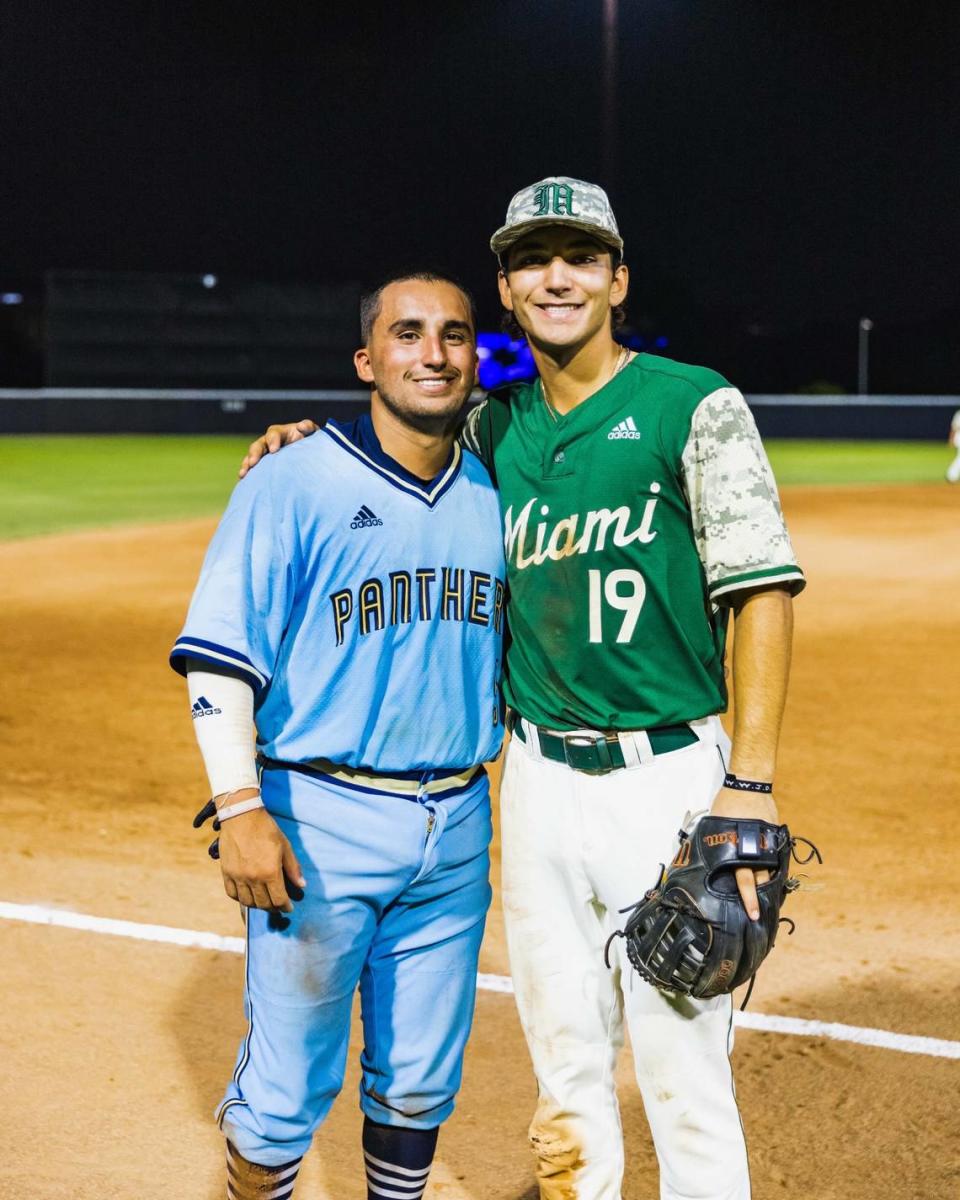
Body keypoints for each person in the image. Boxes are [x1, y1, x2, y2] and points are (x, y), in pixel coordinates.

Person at [242, 177, 806, 1200]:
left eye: (581, 256)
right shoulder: (490, 431)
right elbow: (391, 450)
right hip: (536, 780)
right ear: (506, 288)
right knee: (566, 1066)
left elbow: (759, 591)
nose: (557, 276)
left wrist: (751, 786)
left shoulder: (693, 405)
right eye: (534, 259)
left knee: (685, 1080)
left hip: (665, 777)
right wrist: (302, 446)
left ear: (617, 280)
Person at [171, 272, 506, 1200]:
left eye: (453, 334)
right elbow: (219, 658)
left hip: (459, 824)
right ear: (368, 360)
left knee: (421, 1083)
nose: (432, 352)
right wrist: (240, 808)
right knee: (282, 1099)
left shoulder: (498, 484)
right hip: (320, 819)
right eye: (407, 334)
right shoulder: (293, 477)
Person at [946, 408, 960, 482]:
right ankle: (951, 475)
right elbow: (954, 427)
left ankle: (951, 475)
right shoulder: (959, 414)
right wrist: (951, 439)